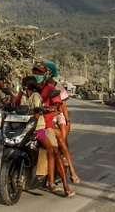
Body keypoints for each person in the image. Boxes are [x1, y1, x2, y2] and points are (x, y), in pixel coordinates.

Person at [32, 62, 76, 196]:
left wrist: (53, 108)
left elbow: (59, 104)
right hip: (28, 125)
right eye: (35, 71)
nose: (37, 74)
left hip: (44, 126)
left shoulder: (51, 89)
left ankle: (65, 186)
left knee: (54, 150)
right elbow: (15, 102)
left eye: (39, 72)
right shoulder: (28, 87)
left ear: (45, 74)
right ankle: (4, 178)